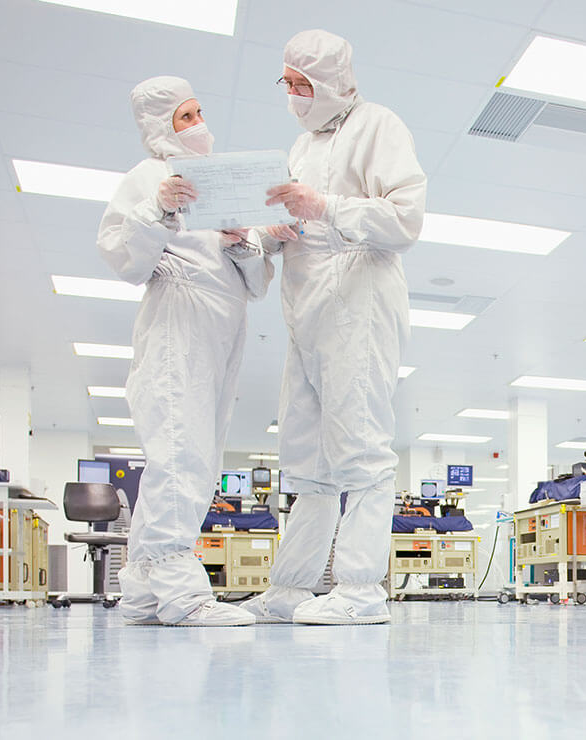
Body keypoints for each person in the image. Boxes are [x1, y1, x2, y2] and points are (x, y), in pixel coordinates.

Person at [242, 29, 427, 626]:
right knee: (306, 455)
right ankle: (293, 586)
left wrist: (325, 208)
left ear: (335, 84)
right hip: (306, 304)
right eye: (288, 84)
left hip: (358, 297)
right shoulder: (298, 148)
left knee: (361, 448)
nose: (295, 96)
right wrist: (271, 232)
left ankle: (360, 591)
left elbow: (405, 220)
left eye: (305, 85)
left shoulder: (379, 125)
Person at [96, 75, 275, 627]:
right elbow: (125, 259)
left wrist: (240, 240)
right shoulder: (147, 178)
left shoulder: (222, 183)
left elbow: (258, 283)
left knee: (199, 460)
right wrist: (159, 210)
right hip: (178, 318)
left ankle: (143, 589)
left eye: (200, 113)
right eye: (185, 117)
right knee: (179, 453)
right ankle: (183, 594)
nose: (199, 126)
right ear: (159, 127)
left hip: (225, 325)